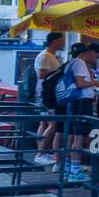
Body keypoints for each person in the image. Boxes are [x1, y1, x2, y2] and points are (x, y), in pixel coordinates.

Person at [60, 42, 99, 181]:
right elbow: (80, 84)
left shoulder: (71, 63)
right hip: (81, 103)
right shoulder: (79, 63)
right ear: (89, 52)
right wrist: (95, 83)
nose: (96, 60)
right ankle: (75, 172)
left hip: (72, 103)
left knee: (72, 136)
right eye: (96, 57)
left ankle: (67, 169)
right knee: (78, 137)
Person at [33, 31, 65, 166]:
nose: (63, 42)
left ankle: (41, 152)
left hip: (45, 93)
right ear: (55, 41)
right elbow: (41, 74)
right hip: (46, 93)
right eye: (62, 40)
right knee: (52, 124)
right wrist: (58, 73)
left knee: (45, 123)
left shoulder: (51, 56)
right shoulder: (45, 56)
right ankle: (40, 153)